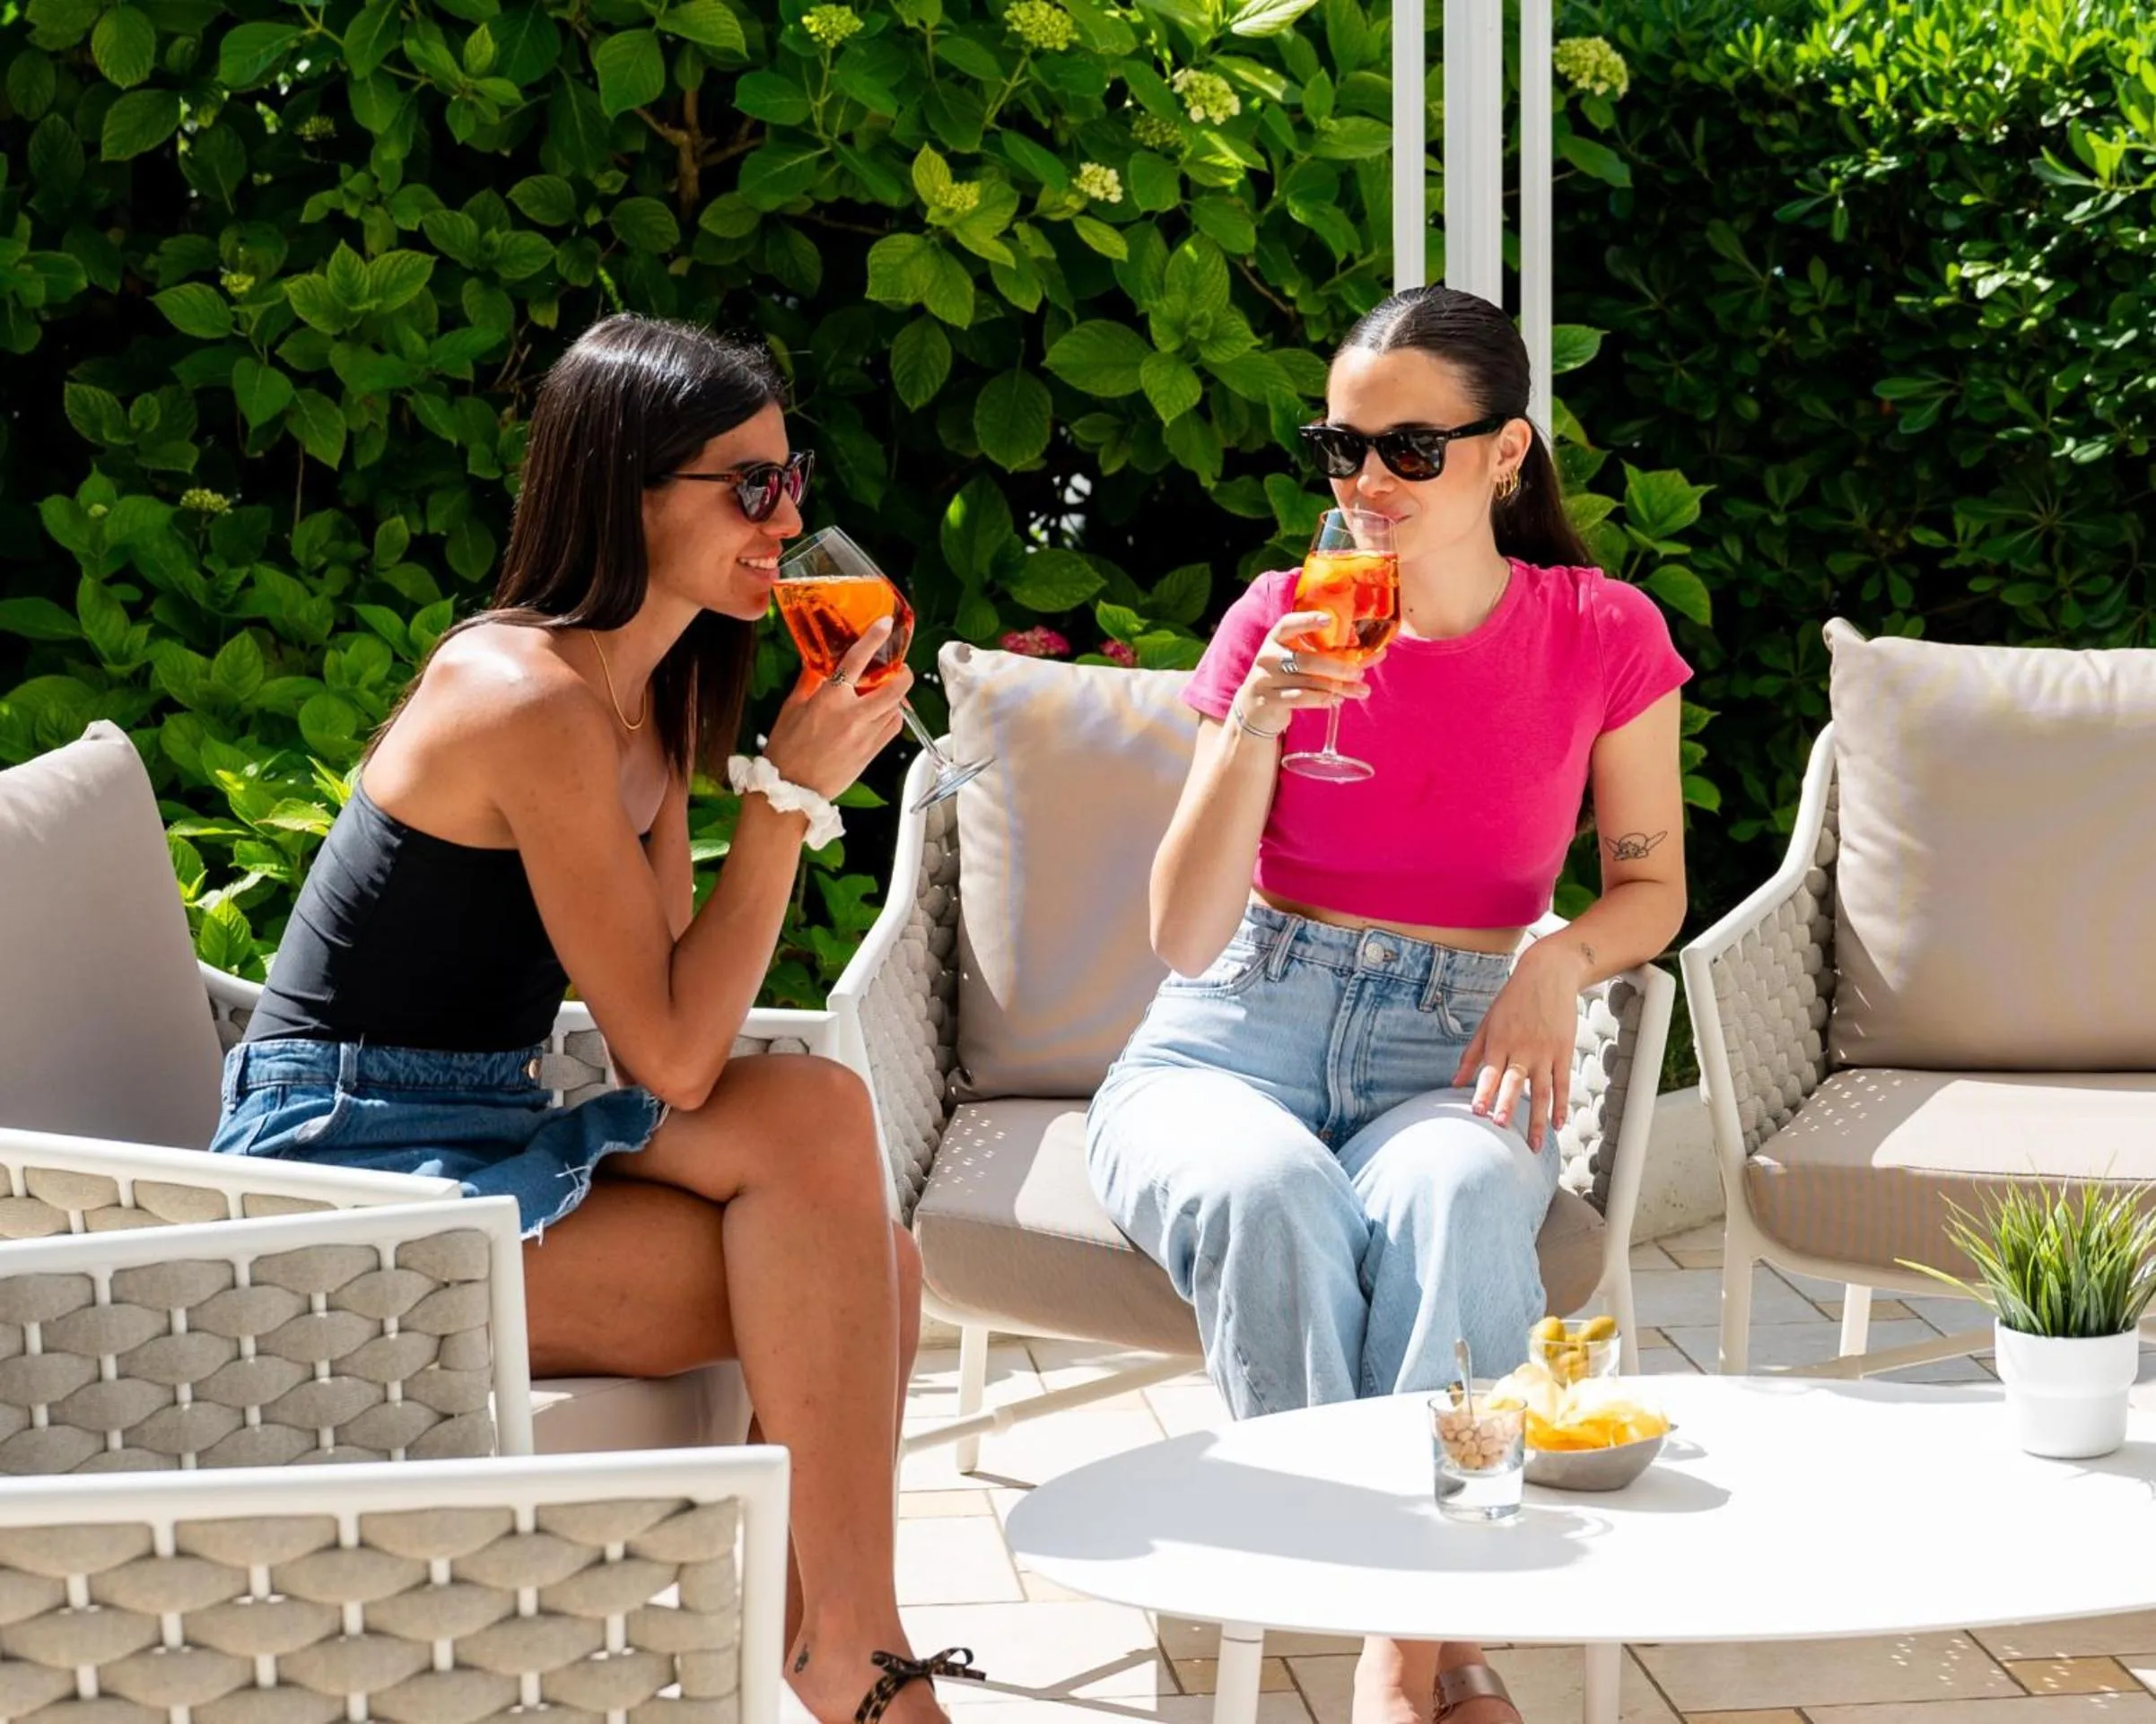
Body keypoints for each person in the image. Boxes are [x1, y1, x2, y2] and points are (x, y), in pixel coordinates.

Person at [210, 314, 975, 1724]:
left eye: (790, 473)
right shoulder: (523, 694)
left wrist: (772, 793)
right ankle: (856, 1661)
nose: (791, 517)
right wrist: (785, 804)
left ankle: (823, 1645)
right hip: (340, 1164)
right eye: (749, 488)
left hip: (482, 1112)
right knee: (865, 1275)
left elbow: (667, 1038)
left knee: (826, 1141)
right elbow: (677, 1057)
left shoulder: (646, 691)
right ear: (626, 491)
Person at [1085, 285, 1689, 1724]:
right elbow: (1181, 937)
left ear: (1504, 455)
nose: (1363, 484)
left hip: (1459, 1032)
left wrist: (1551, 963)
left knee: (1458, 1202)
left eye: (1407, 450)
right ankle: (1414, 1619)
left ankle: (1396, 1636)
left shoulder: (1599, 631)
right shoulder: (1274, 620)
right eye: (1339, 448)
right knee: (1263, 1193)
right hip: (1237, 1029)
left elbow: (1649, 888)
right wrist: (1254, 722)